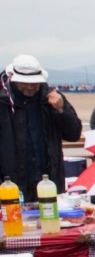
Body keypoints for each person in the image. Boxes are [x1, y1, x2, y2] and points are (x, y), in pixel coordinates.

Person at [0, 54, 82, 201]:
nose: (31, 86)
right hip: (10, 186)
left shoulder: (51, 98)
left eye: (35, 82)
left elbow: (74, 133)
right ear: (15, 79)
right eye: (26, 82)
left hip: (48, 184)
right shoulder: (3, 102)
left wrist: (61, 109)